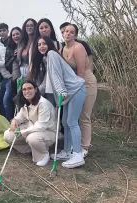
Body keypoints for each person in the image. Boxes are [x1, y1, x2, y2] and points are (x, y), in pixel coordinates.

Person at [31, 36, 87, 168]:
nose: (41, 46)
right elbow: (47, 81)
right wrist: (34, 92)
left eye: (44, 43)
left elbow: (57, 75)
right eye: (39, 44)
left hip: (75, 90)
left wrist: (61, 91)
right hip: (68, 93)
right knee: (65, 122)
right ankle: (67, 152)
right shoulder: (47, 59)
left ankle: (78, 154)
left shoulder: (52, 54)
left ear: (50, 44)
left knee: (72, 122)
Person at [62, 24, 97, 158]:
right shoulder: (63, 49)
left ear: (75, 35)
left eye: (71, 32)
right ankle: (73, 145)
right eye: (66, 31)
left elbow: (81, 71)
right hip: (73, 84)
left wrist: (76, 89)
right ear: (63, 34)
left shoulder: (78, 47)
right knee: (73, 117)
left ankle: (84, 147)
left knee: (84, 116)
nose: (68, 34)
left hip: (85, 82)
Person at [4, 80, 56, 166]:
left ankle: (43, 154)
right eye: (24, 89)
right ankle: (32, 149)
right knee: (7, 135)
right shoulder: (26, 102)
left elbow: (41, 126)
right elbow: (20, 117)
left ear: (35, 89)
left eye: (30, 88)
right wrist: (14, 121)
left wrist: (23, 132)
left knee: (32, 138)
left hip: (48, 131)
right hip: (32, 128)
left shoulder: (43, 104)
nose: (27, 91)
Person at [6, 27, 22, 106]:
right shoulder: (9, 48)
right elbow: (7, 66)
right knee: (9, 98)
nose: (16, 36)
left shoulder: (27, 45)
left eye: (17, 34)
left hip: (25, 74)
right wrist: (14, 56)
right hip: (13, 77)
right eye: (13, 35)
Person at [0, 23, 10, 93]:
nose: (2, 32)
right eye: (0, 31)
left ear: (8, 31)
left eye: (4, 30)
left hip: (9, 71)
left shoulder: (11, 42)